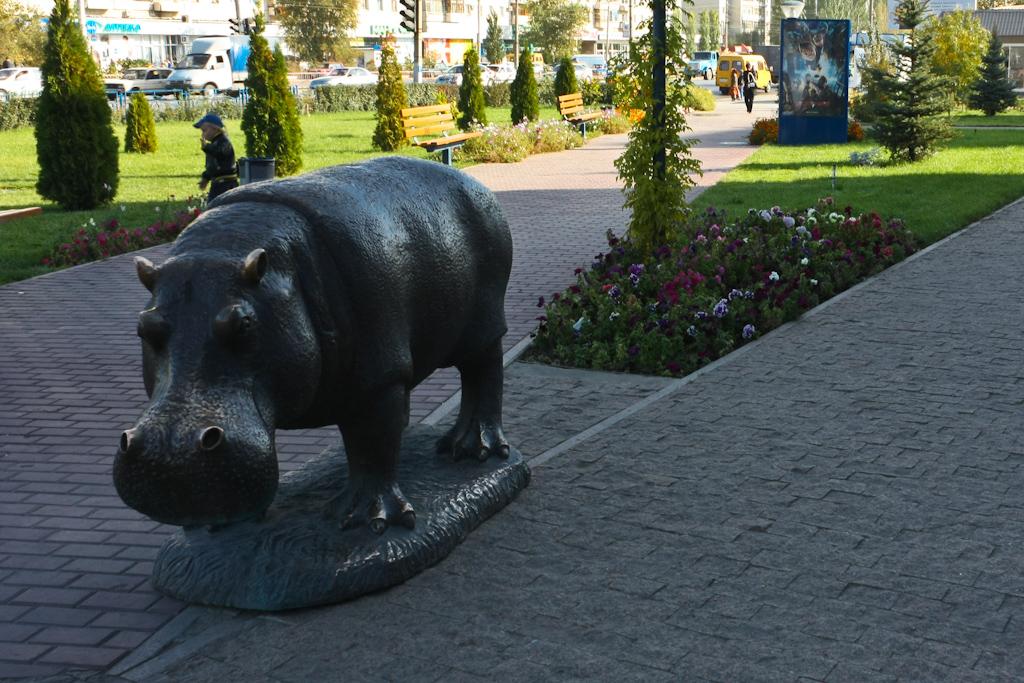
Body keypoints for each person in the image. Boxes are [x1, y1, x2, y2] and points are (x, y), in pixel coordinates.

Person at [194, 112, 238, 201]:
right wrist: (205, 177)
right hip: (217, 183)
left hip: (226, 184)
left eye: (204, 131)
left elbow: (220, 153)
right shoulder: (214, 144)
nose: (203, 135)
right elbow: (212, 166)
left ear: (215, 129)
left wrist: (207, 147)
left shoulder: (224, 142)